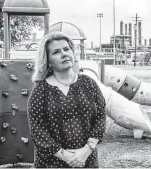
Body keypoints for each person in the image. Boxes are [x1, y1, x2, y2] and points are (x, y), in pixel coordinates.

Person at [27, 31, 106, 168]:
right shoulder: (41, 90)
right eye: (56, 52)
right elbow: (38, 130)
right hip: (51, 163)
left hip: (86, 161)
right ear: (48, 61)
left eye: (66, 49)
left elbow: (100, 117)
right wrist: (68, 157)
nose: (64, 54)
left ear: (72, 53)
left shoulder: (89, 84)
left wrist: (86, 151)